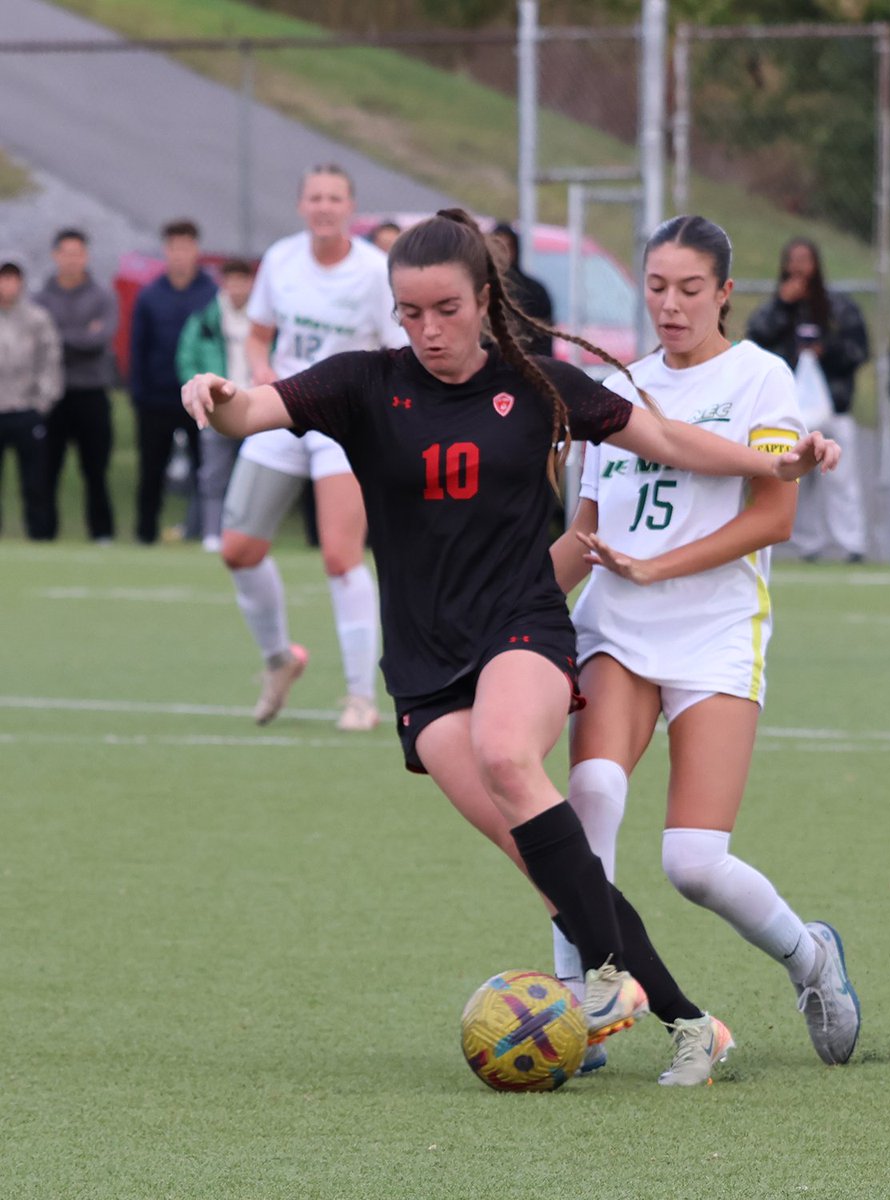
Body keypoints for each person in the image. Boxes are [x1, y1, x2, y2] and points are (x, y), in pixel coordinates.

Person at [182, 207, 839, 1080]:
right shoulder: (360, 385)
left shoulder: (541, 385)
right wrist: (217, 399)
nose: (427, 330)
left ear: (485, 300)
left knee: (509, 753)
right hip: (421, 661)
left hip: (522, 624)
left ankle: (605, 985)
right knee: (551, 869)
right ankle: (688, 1021)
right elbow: (253, 410)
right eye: (409, 312)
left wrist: (778, 465)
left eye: (446, 309)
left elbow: (674, 441)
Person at [549, 215, 861, 1081]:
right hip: (617, 627)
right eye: (656, 287)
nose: (671, 305)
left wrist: (659, 567)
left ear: (725, 292)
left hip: (717, 631)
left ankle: (811, 960)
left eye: (691, 289)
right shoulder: (617, 387)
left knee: (693, 861)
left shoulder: (762, 378)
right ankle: (582, 1005)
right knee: (592, 790)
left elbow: (773, 513)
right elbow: (589, 530)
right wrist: (505, 608)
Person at [220, 164, 405, 731]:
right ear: (301, 205)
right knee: (238, 549)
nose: (324, 207)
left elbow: (399, 353)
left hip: (344, 423)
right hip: (282, 409)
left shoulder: (377, 272)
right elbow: (258, 335)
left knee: (339, 555)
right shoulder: (280, 259)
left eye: (335, 198)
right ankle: (279, 660)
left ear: (351, 208)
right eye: (315, 198)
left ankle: (359, 697)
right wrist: (262, 370)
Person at [746, 237, 868, 563]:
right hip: (790, 408)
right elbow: (753, 342)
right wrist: (783, 306)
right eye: (793, 259)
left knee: (840, 476)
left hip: (834, 407)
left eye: (806, 259)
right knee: (799, 476)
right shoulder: (776, 308)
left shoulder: (837, 307)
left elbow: (859, 350)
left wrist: (823, 351)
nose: (799, 267)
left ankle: (850, 543)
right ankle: (808, 545)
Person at [129, 219, 218, 544]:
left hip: (201, 399)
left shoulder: (211, 294)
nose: (180, 255)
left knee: (206, 472)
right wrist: (137, 393)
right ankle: (145, 534)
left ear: (196, 250)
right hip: (156, 399)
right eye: (174, 248)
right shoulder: (150, 295)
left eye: (186, 247)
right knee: (151, 470)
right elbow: (137, 346)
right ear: (166, 251)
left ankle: (204, 532)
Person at [33, 228, 118, 543]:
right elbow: (38, 345)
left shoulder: (103, 296)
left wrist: (58, 335)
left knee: (95, 471)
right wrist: (80, 333)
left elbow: (98, 341)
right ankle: (42, 535)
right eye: (65, 253)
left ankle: (103, 534)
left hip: (92, 393)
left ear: (86, 256)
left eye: (77, 253)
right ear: (56, 256)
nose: (71, 260)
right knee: (46, 471)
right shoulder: (40, 299)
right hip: (51, 396)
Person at [176, 258, 255, 553]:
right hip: (218, 403)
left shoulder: (263, 319)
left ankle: (249, 534)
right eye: (231, 281)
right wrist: (199, 390)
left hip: (256, 402)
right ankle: (212, 533)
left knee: (253, 473)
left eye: (242, 281)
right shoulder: (206, 318)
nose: (236, 288)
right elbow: (187, 358)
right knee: (214, 473)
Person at [0, 256, 61, 539]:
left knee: (35, 481)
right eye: (3, 278)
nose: (7, 284)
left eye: (12, 278)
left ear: (21, 283)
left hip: (27, 409)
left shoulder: (37, 318)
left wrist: (42, 403)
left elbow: (50, 362)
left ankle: (40, 536)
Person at [490, 220, 554, 357]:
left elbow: (544, 338)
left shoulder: (534, 291)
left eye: (507, 247)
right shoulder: (479, 288)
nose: (503, 253)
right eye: (498, 247)